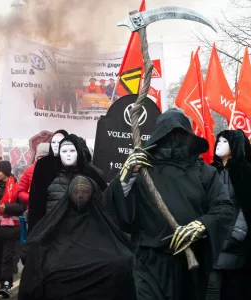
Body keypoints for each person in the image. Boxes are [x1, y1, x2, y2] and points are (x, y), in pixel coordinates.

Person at [105, 109, 234, 300]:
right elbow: (115, 208)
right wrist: (125, 176)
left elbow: (224, 209)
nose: (173, 140)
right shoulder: (143, 171)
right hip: (149, 263)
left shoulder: (205, 172)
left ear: (188, 137)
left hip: (189, 263)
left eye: (179, 135)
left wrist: (201, 226)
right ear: (160, 136)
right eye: (168, 135)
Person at [19, 176, 137, 300]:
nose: (80, 196)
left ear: (92, 194)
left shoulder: (102, 219)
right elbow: (37, 242)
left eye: (85, 192)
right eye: (76, 192)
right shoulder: (58, 219)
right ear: (69, 194)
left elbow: (124, 250)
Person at [28, 133, 107, 232]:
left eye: (72, 150)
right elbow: (37, 205)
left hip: (80, 232)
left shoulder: (91, 174)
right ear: (59, 154)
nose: (68, 154)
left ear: (78, 152)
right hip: (52, 231)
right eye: (64, 151)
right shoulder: (49, 175)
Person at [206, 130, 251, 300]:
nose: (219, 143)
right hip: (211, 242)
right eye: (218, 140)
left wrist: (235, 235)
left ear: (235, 145)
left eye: (224, 141)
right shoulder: (209, 171)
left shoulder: (244, 172)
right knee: (210, 290)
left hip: (235, 246)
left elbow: (246, 206)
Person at [0, 161, 26, 298]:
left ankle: (5, 284)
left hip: (11, 229)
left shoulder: (16, 188)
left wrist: (6, 207)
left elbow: (22, 208)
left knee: (7, 258)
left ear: (6, 171)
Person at [27, 130, 68, 231]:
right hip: (44, 218)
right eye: (53, 142)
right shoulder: (43, 164)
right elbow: (35, 196)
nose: (55, 145)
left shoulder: (70, 163)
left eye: (59, 142)